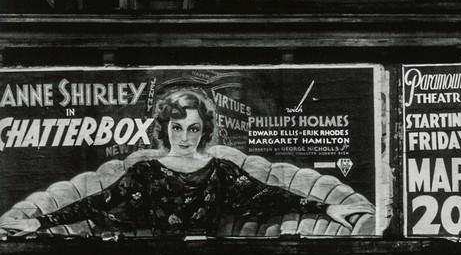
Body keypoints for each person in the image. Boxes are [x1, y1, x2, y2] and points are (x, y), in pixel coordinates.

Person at [0, 87, 371, 237]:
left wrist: (326, 207)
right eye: (177, 127)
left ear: (204, 131)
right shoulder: (145, 171)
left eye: (193, 128)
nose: (184, 136)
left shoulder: (221, 171)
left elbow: (272, 194)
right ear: (165, 129)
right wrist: (41, 220)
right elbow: (97, 202)